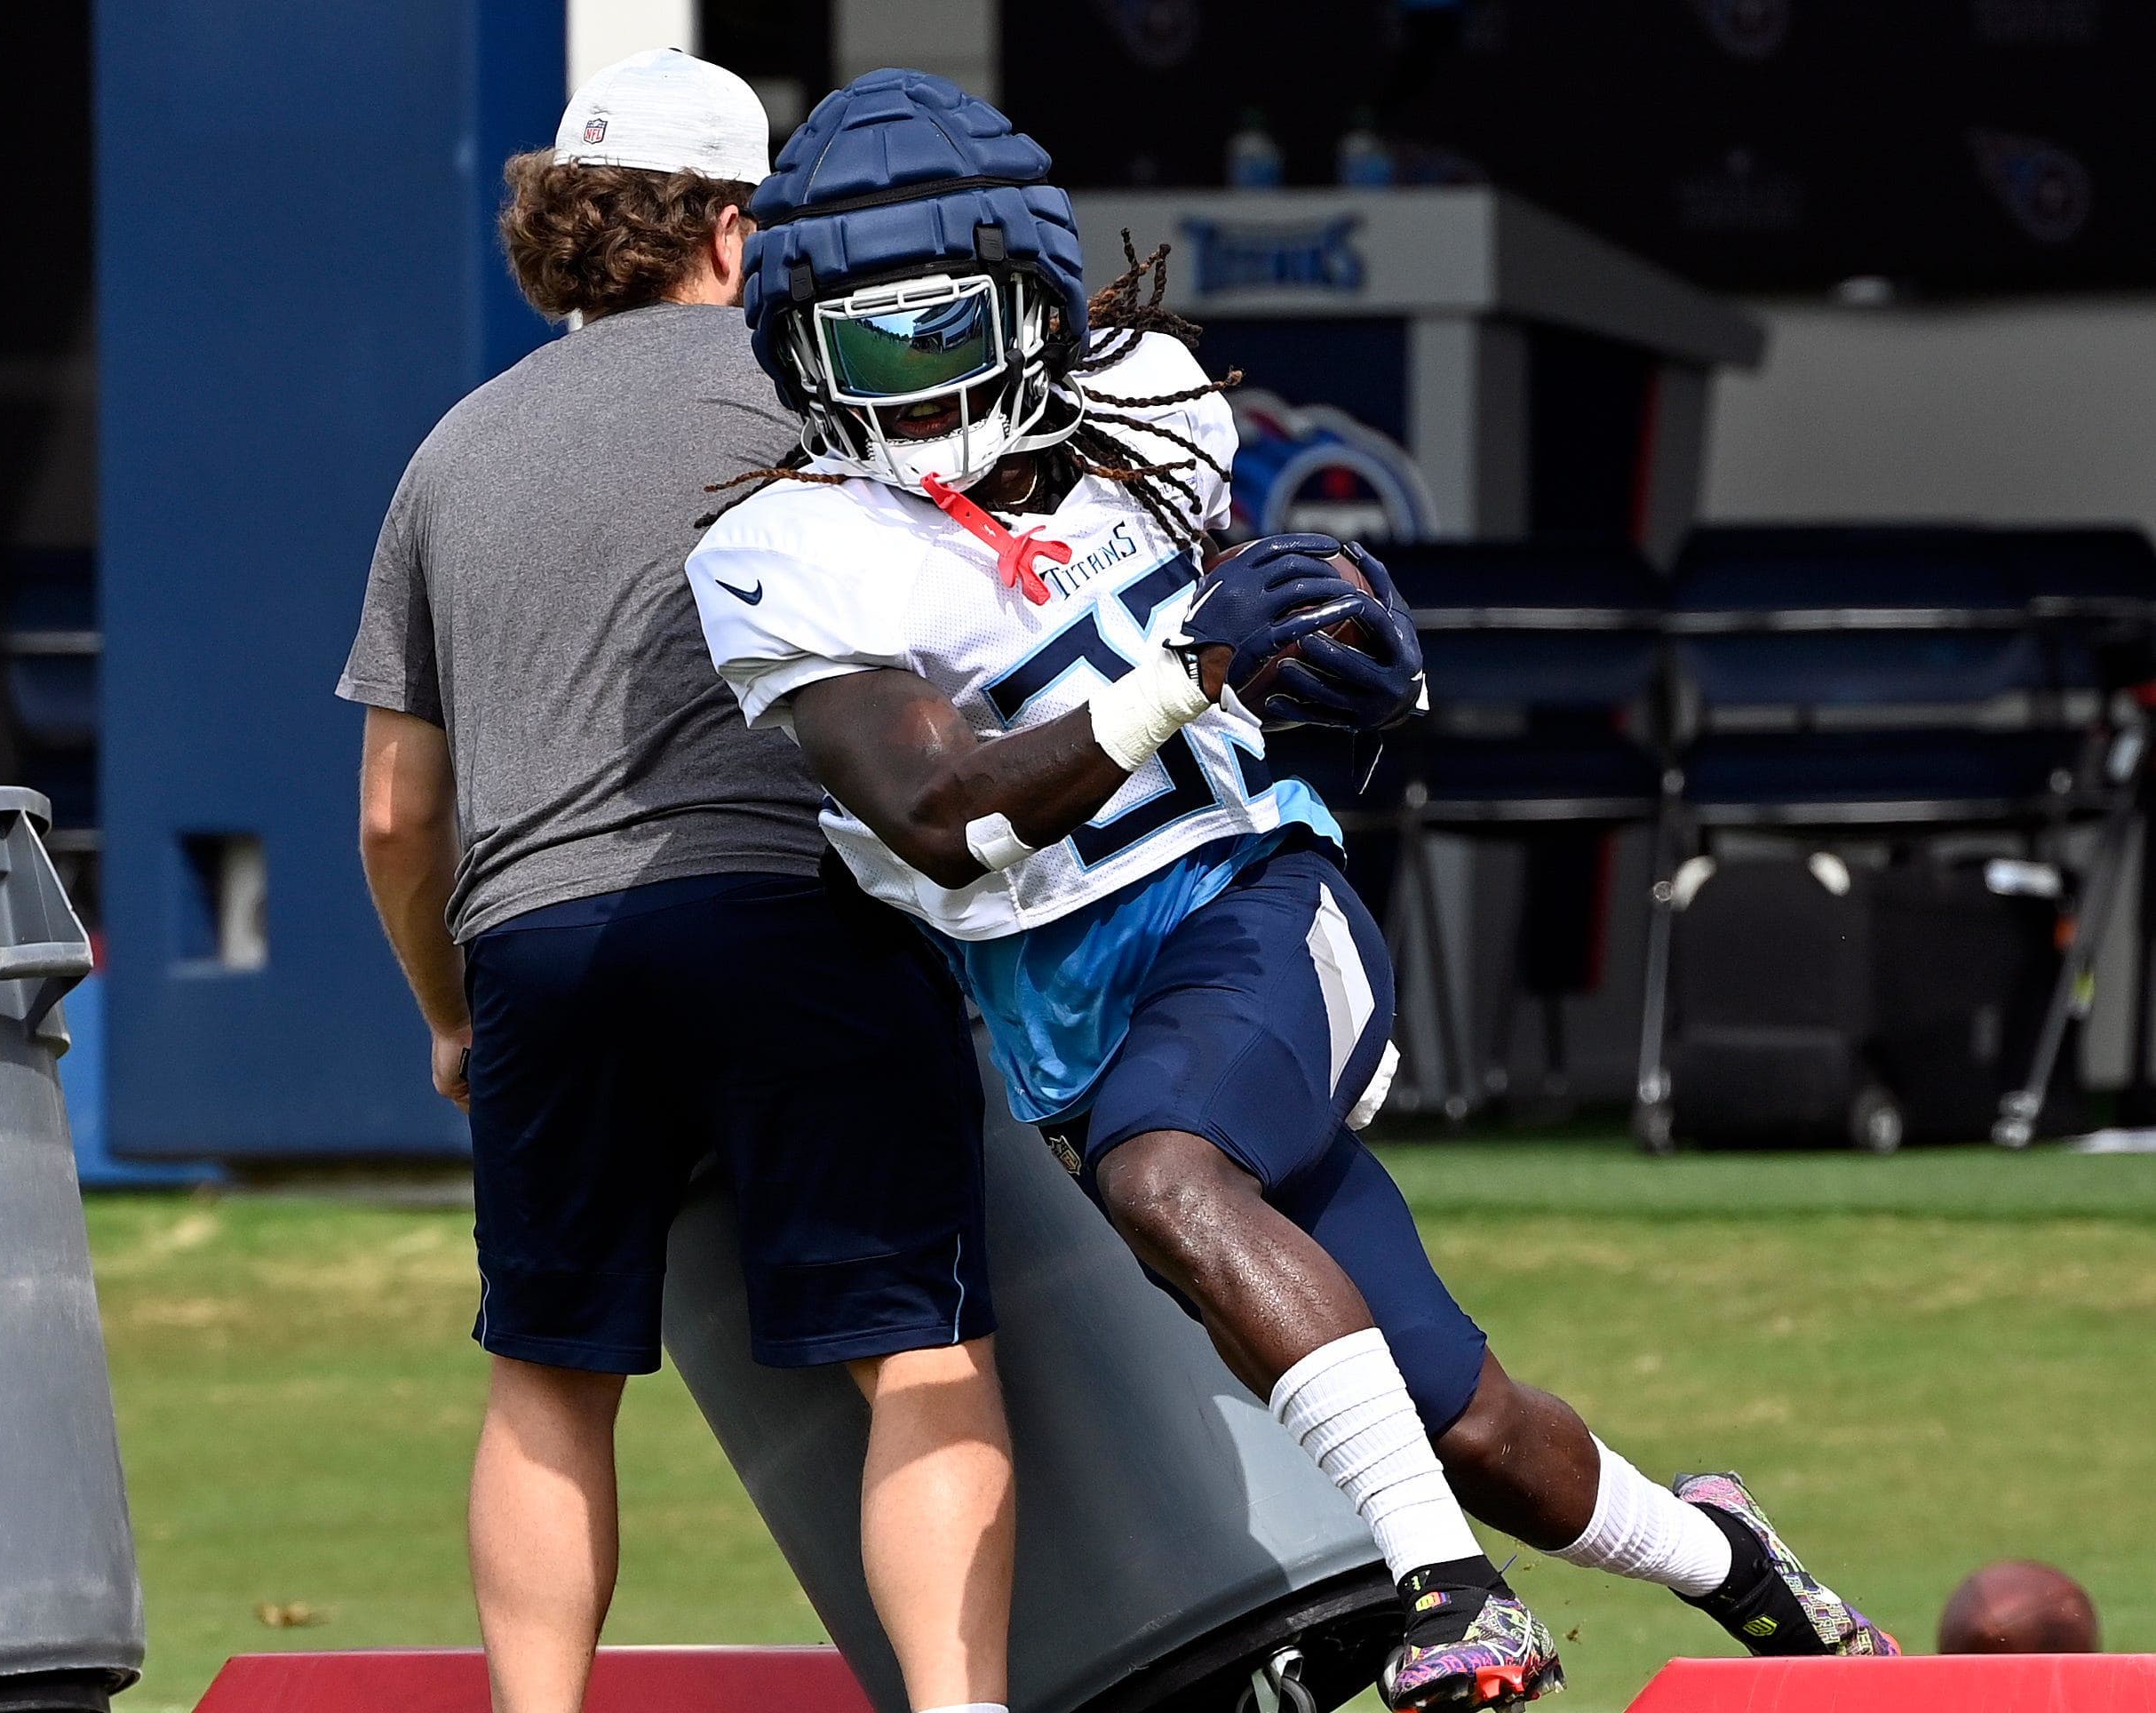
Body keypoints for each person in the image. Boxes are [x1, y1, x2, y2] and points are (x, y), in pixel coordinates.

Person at [687, 70, 1898, 1712]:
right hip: (1069, 1011)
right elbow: (939, 815)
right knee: (1471, 1426)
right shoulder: (788, 546)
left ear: (1032, 304)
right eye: (857, 348)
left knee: (1167, 1181)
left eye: (940, 334)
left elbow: (1275, 636)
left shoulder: (1151, 406)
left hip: (1250, 906)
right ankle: (1747, 1573)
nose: (905, 396)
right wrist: (1188, 669)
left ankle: (1452, 1600)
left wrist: (1315, 657)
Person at [341, 51, 1015, 1713]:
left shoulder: (451, 452)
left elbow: (392, 813)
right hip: (801, 915)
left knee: (549, 1379)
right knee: (916, 1354)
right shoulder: (815, 401)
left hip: (537, 948)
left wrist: (447, 1020)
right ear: (733, 227)